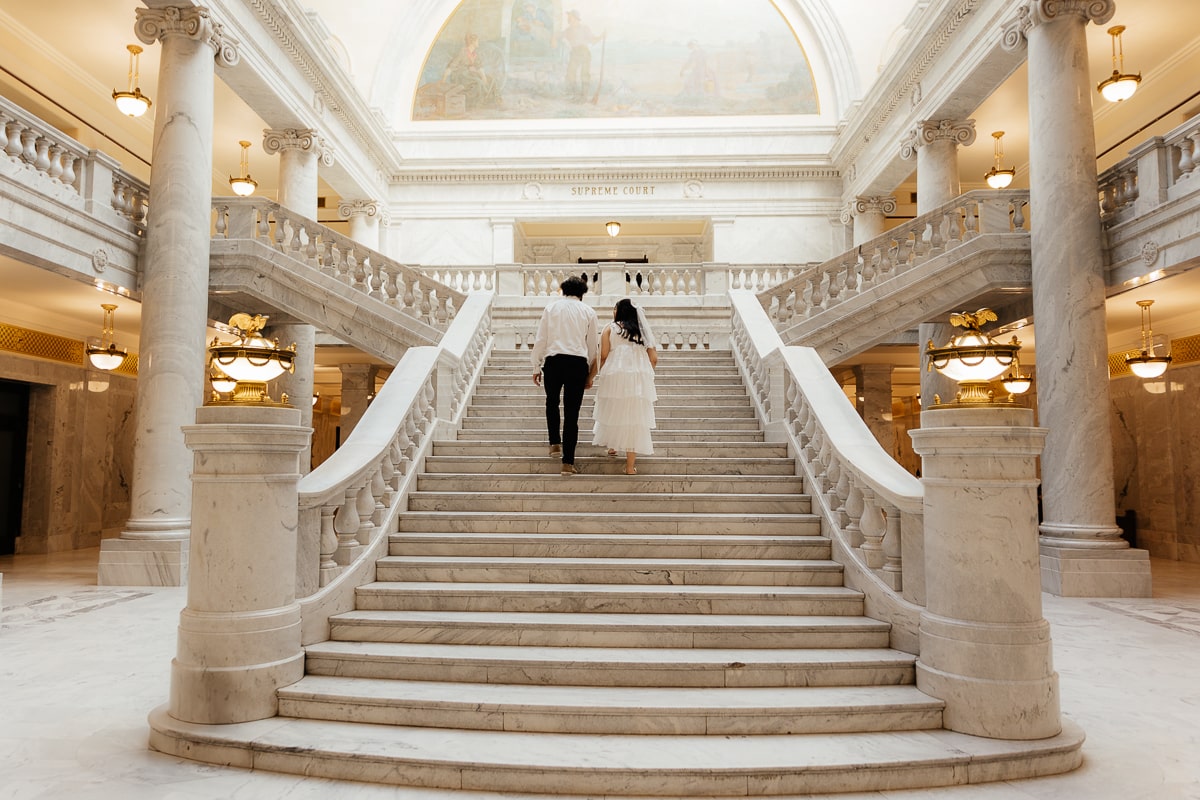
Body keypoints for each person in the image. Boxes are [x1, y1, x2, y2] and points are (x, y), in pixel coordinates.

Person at [531, 276, 599, 476]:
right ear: (582, 293)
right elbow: (592, 346)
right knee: (572, 414)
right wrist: (589, 374)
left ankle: (554, 443)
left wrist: (536, 366)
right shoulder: (588, 311)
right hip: (577, 363)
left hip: (554, 361)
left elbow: (541, 339)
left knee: (551, 401)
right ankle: (568, 463)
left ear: (563, 290)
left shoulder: (551, 309)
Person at [591, 299, 658, 475]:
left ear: (619, 311)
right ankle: (629, 467)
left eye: (615, 308)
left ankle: (613, 446)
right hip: (637, 378)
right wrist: (644, 374)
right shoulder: (642, 333)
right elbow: (654, 359)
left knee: (613, 409)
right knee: (634, 417)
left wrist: (591, 376)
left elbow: (603, 356)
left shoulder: (610, 329)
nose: (613, 311)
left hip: (614, 375)